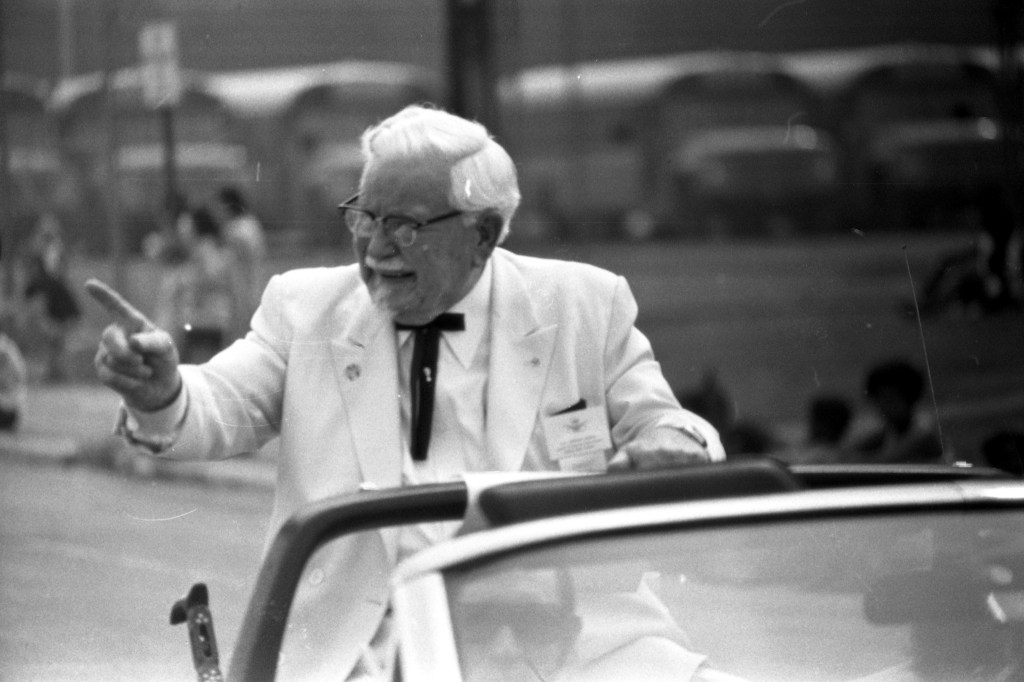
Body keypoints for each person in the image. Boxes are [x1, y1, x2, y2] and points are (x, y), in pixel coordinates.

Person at [87, 104, 724, 679]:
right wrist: (163, 392)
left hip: (576, 647)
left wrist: (677, 444)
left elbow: (666, 425)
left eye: (405, 226)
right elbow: (223, 402)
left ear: (482, 234)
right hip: (372, 654)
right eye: (364, 217)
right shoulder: (306, 310)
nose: (374, 246)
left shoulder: (583, 304)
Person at [849, 358, 946, 464]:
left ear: (909, 398)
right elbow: (851, 452)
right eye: (879, 400)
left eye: (889, 399)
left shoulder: (924, 432)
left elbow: (886, 462)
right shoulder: (890, 431)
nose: (882, 406)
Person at [22, 212, 81, 382]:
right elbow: (34, 277)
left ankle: (56, 370)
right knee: (49, 334)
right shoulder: (36, 251)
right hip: (46, 296)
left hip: (58, 297)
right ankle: (53, 369)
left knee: (59, 334)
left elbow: (60, 273)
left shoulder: (57, 249)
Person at [216, 185, 267, 339]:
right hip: (249, 285)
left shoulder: (237, 229)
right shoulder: (250, 224)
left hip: (243, 287)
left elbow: (237, 258)